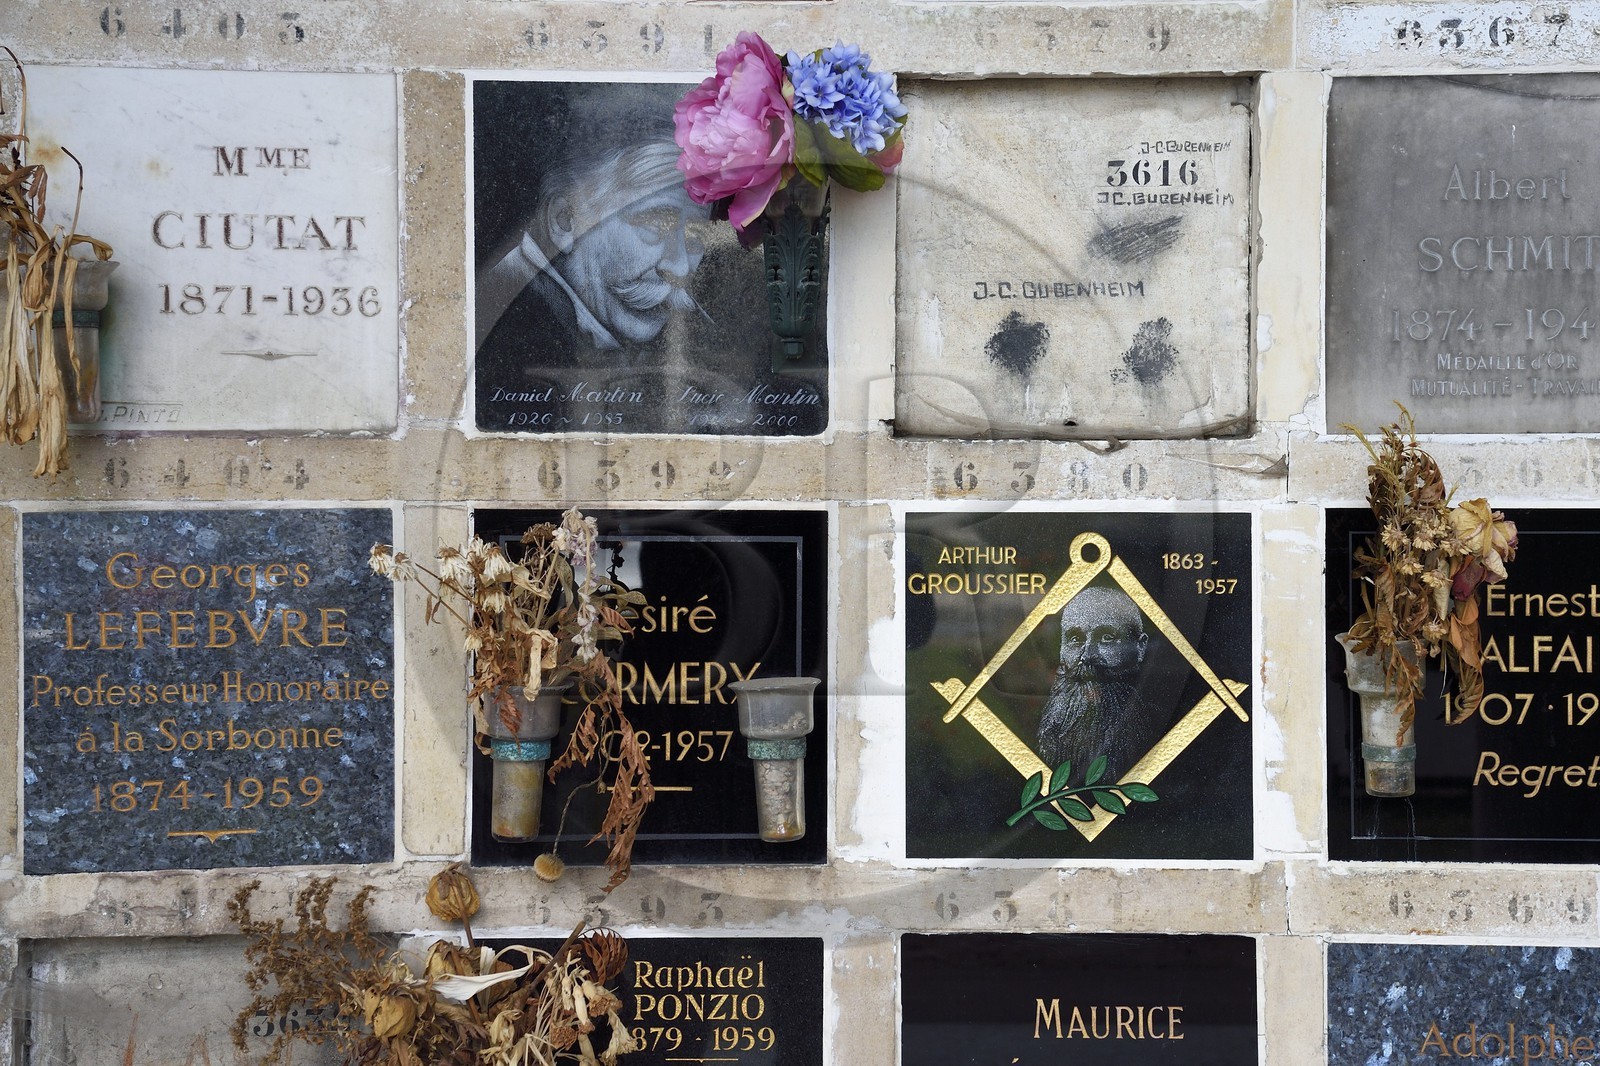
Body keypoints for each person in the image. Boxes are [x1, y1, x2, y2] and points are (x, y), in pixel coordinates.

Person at [475, 139, 710, 363]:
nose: (680, 268)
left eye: (695, 235)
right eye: (656, 225)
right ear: (564, 222)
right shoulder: (493, 329)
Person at [1036, 585, 1168, 780]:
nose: (1088, 656)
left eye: (1107, 638)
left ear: (1140, 647)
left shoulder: (1161, 730)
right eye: (1075, 639)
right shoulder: (1044, 730)